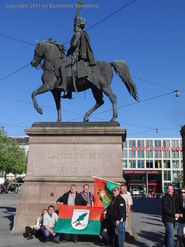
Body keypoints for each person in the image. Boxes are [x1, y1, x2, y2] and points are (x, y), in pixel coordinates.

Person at [59, 16, 96, 99]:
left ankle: (64, 85)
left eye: (74, 26)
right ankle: (69, 93)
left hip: (74, 57)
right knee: (68, 71)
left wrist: (69, 50)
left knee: (62, 66)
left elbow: (74, 44)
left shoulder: (78, 33)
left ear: (78, 26)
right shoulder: (80, 33)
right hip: (74, 56)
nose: (73, 28)